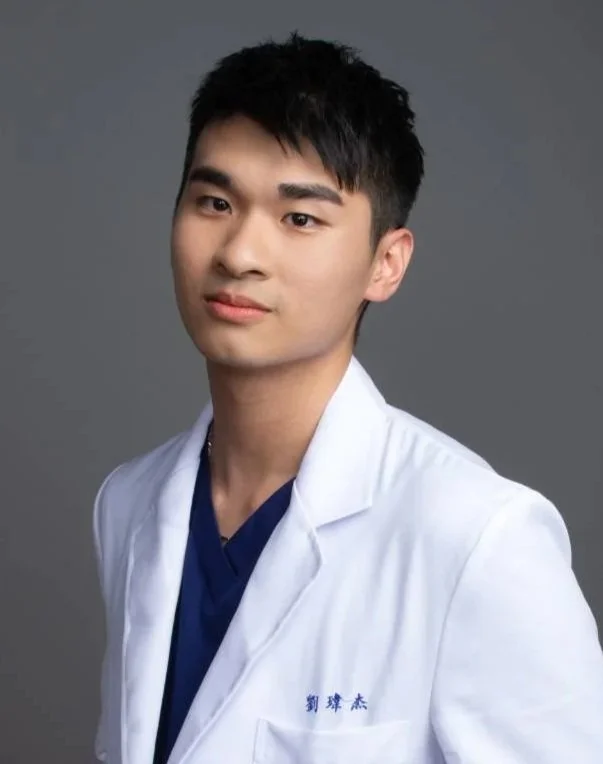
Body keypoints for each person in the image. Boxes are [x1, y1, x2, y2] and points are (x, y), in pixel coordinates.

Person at [92, 32, 603, 764]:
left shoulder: (478, 537)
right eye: (214, 202)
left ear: (385, 264)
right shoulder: (129, 504)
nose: (239, 253)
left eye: (300, 218)